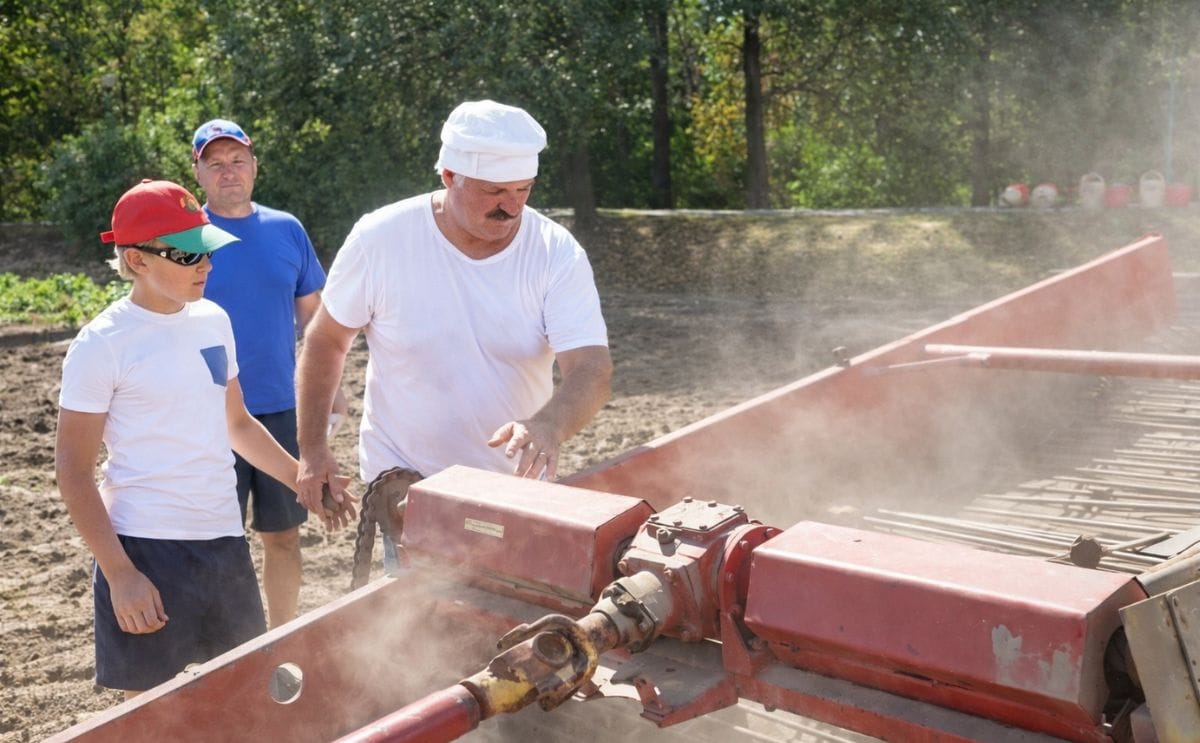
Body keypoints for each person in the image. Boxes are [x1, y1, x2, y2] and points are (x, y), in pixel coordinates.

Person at [54, 180, 347, 699]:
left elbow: (236, 424)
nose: (205, 265)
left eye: (206, 250)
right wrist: (120, 573)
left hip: (223, 545)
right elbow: (73, 472)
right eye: (188, 255)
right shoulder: (102, 344)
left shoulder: (214, 320)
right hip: (146, 550)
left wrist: (302, 478)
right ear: (136, 260)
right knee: (150, 718)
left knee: (245, 703)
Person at [295, 99, 613, 530]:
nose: (512, 206)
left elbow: (591, 367)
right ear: (449, 176)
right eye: (494, 191)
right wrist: (313, 452)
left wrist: (547, 426)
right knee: (416, 598)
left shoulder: (555, 252)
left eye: (523, 190)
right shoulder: (381, 239)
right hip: (405, 485)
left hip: (514, 489)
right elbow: (326, 341)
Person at [190, 118, 346, 628]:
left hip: (282, 408)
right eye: (216, 164)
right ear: (198, 172)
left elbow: (315, 322)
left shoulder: (286, 229)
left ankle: (279, 638)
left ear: (255, 166)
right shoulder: (185, 237)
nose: (228, 172)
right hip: (209, 416)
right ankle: (225, 650)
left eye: (237, 161)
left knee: (283, 536)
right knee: (217, 542)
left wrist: (335, 390)